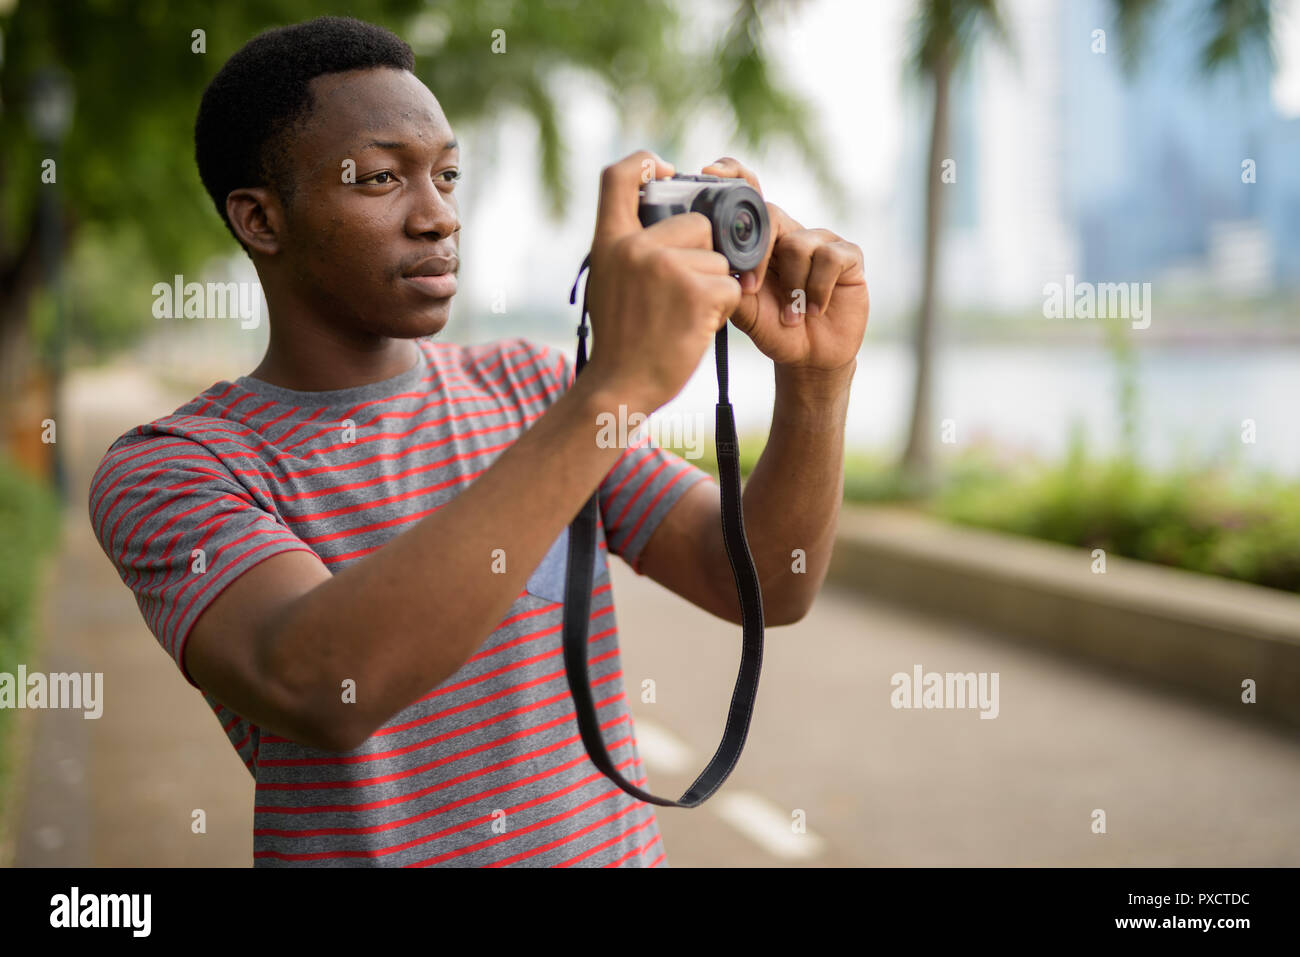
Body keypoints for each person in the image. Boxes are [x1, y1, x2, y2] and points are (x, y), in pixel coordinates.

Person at [88, 15, 867, 867]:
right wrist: (615, 388)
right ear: (261, 220)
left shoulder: (530, 387)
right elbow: (320, 681)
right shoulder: (174, 467)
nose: (438, 218)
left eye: (448, 176)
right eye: (382, 178)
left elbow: (762, 581)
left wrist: (817, 382)